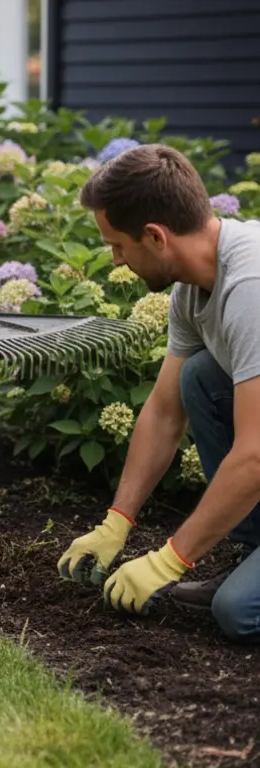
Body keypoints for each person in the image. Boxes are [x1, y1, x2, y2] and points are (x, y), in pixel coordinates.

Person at [56, 143, 260, 644]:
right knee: (200, 376)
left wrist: (170, 560)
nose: (115, 260)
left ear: (154, 236)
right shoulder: (192, 288)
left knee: (238, 614)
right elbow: (165, 412)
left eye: (117, 245)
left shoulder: (250, 289)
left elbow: (255, 457)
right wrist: (117, 521)